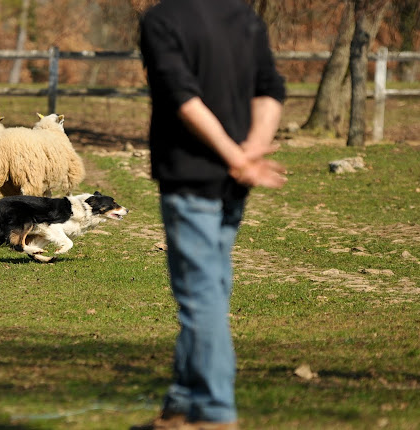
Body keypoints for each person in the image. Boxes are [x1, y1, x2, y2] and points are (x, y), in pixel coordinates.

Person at [135, 0, 287, 429]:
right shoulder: (242, 16)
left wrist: (239, 155)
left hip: (192, 177)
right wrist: (248, 153)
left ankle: (216, 413)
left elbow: (182, 96)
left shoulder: (162, 20)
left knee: (201, 298)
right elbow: (271, 89)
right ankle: (183, 405)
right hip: (234, 178)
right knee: (211, 291)